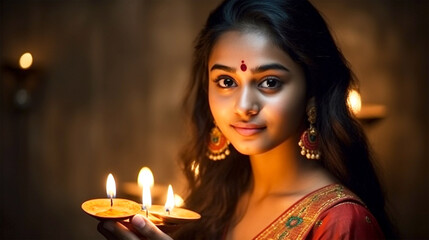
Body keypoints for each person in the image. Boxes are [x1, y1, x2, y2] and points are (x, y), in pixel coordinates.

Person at [98, 0, 396, 239]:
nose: (244, 106)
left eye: (269, 82)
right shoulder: (218, 199)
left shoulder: (341, 222)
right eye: (226, 81)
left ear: (312, 90)